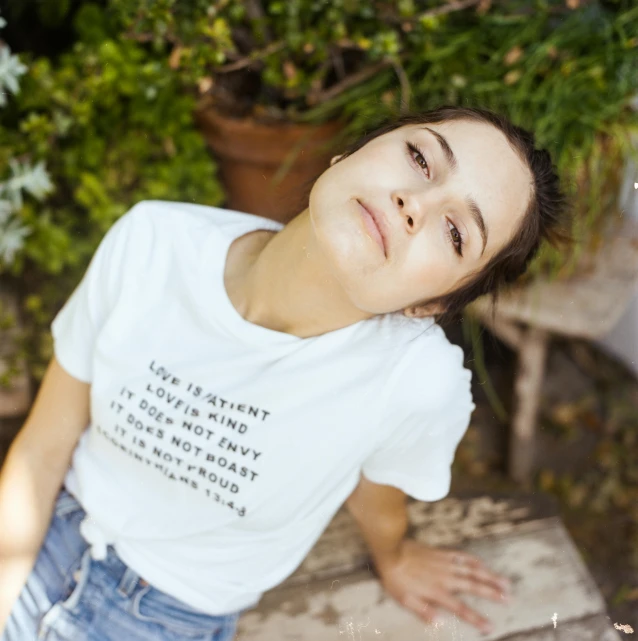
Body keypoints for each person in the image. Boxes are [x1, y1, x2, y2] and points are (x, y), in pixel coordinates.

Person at [0, 104, 568, 640]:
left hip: (163, 613)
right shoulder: (152, 241)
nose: (414, 203)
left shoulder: (415, 384)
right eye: (421, 159)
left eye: (455, 233)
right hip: (43, 528)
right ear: (348, 154)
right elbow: (42, 449)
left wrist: (394, 556)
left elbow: (377, 490)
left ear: (433, 304)